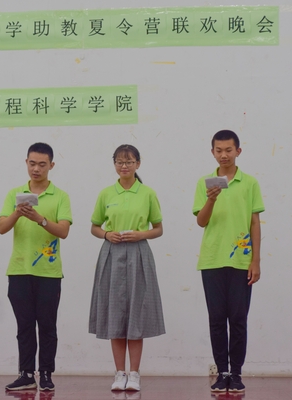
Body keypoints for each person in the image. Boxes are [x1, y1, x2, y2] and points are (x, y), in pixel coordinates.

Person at [193, 130, 265, 394]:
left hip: (241, 261)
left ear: (238, 151)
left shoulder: (250, 183)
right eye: (219, 150)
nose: (224, 155)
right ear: (212, 152)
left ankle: (236, 373)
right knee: (216, 319)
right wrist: (211, 199)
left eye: (228, 150)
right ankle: (221, 372)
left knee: (238, 319)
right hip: (212, 260)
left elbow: (254, 223)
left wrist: (256, 260)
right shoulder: (204, 183)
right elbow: (201, 221)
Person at [89, 144, 165, 392]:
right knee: (115, 312)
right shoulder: (105, 194)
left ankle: (134, 373)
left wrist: (141, 234)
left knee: (136, 311)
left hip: (138, 253)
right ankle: (119, 372)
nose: (124, 166)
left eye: (129, 162)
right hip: (112, 254)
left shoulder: (147, 193)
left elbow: (158, 228)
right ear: (114, 165)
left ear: (138, 164)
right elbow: (95, 226)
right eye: (120, 162)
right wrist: (106, 234)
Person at [0, 143, 72, 392]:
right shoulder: (14, 194)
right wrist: (17, 214)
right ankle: (26, 373)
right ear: (26, 163)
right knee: (25, 325)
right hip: (19, 270)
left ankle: (46, 373)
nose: (36, 169)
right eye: (32, 163)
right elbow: (1, 228)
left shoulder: (60, 196)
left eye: (42, 164)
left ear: (51, 165)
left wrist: (40, 219)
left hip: (49, 273)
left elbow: (63, 231)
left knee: (48, 325)